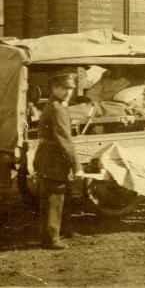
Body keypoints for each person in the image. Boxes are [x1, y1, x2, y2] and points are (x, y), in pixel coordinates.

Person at [33, 70, 84, 250]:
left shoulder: (56, 106)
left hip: (51, 156)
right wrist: (77, 165)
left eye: (71, 88)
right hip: (54, 158)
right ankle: (51, 239)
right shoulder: (57, 109)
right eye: (63, 88)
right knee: (54, 197)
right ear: (54, 88)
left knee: (62, 195)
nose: (68, 92)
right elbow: (65, 139)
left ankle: (63, 230)